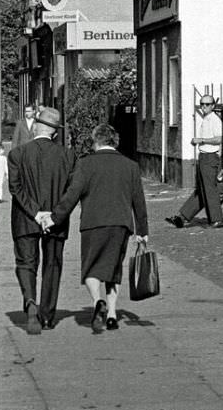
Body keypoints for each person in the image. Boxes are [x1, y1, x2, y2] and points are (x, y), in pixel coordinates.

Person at [41, 123, 148, 333]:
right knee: (113, 269)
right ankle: (112, 314)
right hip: (120, 223)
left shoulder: (85, 164)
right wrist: (142, 231)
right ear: (114, 141)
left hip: (93, 223)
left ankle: (98, 300)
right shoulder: (131, 166)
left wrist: (55, 217)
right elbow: (139, 202)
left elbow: (72, 194)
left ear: (96, 141)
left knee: (91, 268)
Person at [8, 107, 75, 334]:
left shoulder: (17, 154)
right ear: (55, 133)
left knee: (26, 263)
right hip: (56, 221)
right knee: (52, 264)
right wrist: (53, 215)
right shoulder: (67, 156)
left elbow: (15, 188)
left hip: (25, 219)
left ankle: (29, 301)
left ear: (36, 126)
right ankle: (47, 315)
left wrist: (36, 213)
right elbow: (71, 191)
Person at [166, 95, 223, 229]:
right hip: (203, 156)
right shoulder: (206, 119)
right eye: (202, 104)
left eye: (208, 104)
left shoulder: (215, 120)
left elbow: (218, 139)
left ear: (213, 106)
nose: (204, 106)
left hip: (210, 156)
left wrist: (201, 140)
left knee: (209, 189)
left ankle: (217, 219)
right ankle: (183, 217)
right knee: (201, 190)